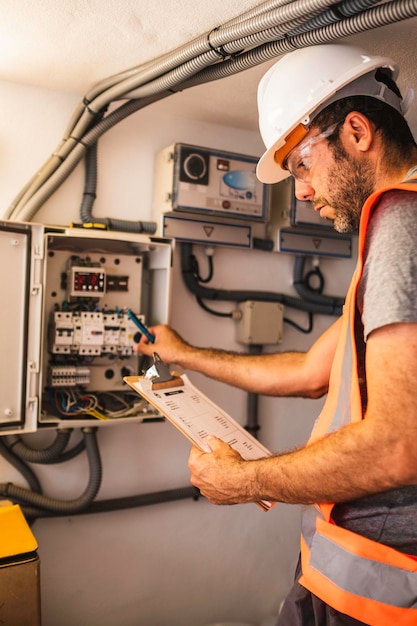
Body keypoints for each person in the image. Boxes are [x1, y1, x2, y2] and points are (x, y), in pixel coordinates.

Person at [137, 43, 417, 625]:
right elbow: (311, 372)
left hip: (381, 593)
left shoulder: (401, 223)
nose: (303, 193)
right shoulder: (392, 233)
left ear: (358, 132)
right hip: (349, 576)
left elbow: (397, 446)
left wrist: (242, 481)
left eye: (302, 167)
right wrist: (185, 354)